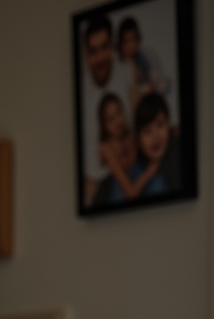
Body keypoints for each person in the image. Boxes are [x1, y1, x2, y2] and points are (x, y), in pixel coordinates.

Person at [79, 14, 131, 206]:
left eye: (104, 48)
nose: (100, 58)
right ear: (86, 56)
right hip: (95, 185)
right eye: (93, 51)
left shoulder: (127, 73)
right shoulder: (81, 92)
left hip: (124, 174)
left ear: (112, 48)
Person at [93, 92, 161, 205]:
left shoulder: (131, 137)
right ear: (104, 125)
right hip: (115, 187)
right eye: (110, 119)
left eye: (119, 112)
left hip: (135, 183)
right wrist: (148, 173)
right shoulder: (106, 147)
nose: (117, 121)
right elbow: (130, 192)